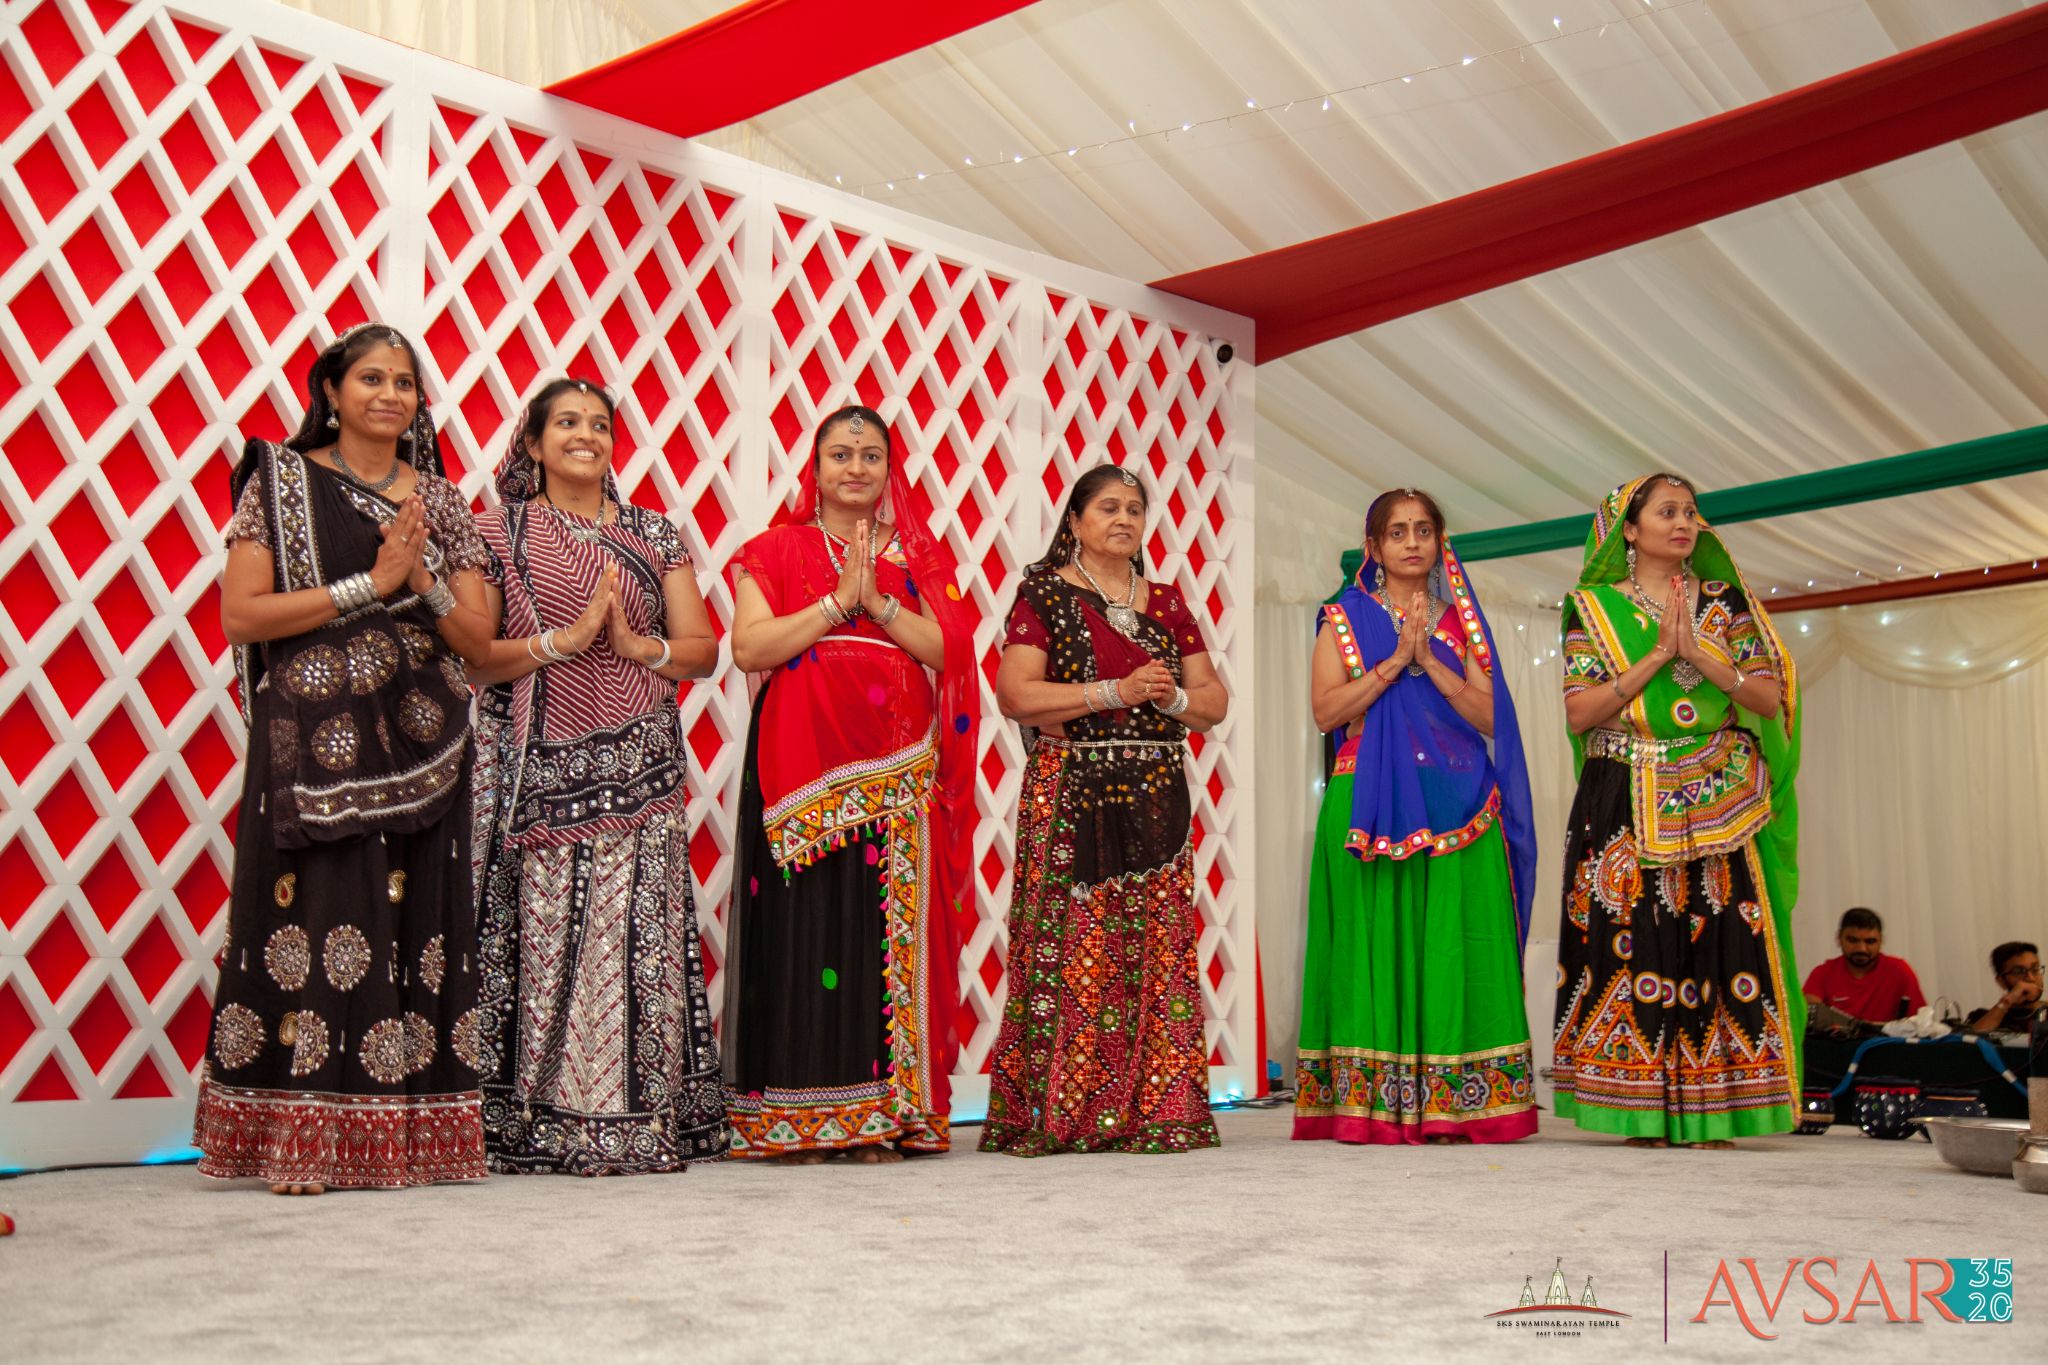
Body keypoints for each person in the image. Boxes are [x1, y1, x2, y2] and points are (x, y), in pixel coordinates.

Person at [198, 323, 496, 1192]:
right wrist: (370, 583)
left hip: (425, 736)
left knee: (416, 924)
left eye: (405, 382)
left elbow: (477, 642)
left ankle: (408, 1136)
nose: (390, 395)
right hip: (313, 736)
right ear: (330, 390)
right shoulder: (282, 482)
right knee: (324, 915)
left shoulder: (439, 501)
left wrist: (422, 580)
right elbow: (243, 616)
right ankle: (305, 1134)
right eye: (370, 377)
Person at [466, 378, 729, 1174]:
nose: (586, 435)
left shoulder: (655, 532)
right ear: (534, 443)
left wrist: (636, 646)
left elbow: (701, 649)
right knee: (545, 944)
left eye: (600, 424)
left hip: (643, 771)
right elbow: (478, 660)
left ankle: (636, 1119)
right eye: (567, 423)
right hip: (538, 773)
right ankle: (528, 1123)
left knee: (636, 946)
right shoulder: (496, 531)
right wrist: (566, 640)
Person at [720, 405, 978, 1162]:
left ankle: (881, 1119)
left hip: (899, 766)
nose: (855, 467)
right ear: (817, 467)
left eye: (870, 454)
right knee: (805, 930)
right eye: (840, 453)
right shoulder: (775, 548)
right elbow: (749, 645)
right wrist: (837, 602)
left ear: (889, 468)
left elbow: (946, 651)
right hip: (801, 760)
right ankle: (803, 1119)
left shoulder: (921, 558)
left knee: (882, 937)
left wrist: (878, 600)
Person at [980, 465, 1230, 1156]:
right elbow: (1017, 695)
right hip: (1072, 791)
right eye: (1108, 506)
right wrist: (1111, 690)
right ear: (1077, 519)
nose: (1123, 518)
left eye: (1135, 508)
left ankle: (1157, 1108)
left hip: (1156, 791)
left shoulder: (1169, 602)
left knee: (1156, 948)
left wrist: (1168, 697)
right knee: (1076, 947)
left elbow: (1213, 700)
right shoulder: (1046, 594)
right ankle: (1066, 1111)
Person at [1550, 473, 1804, 1149]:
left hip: (1715, 792)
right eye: (1667, 511)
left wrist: (1699, 654)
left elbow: (1765, 695)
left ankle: (1717, 1104)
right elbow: (1580, 710)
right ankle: (1635, 1107)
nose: (1684, 521)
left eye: (1691, 511)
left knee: (1719, 937)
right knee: (1629, 937)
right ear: (1628, 530)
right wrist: (1659, 654)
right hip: (1621, 792)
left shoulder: (1725, 602)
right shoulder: (1591, 607)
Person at [1293, 489, 1539, 1145]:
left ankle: (1462, 1101)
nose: (1411, 541)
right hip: (1369, 798)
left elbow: (1493, 719)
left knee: (1454, 945)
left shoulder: (1461, 624)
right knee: (1374, 945)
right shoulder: (1343, 616)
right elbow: (1326, 711)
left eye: (1423, 529)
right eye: (1397, 531)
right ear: (1372, 546)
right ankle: (1373, 1103)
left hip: (1460, 804)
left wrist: (1430, 658)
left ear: (1439, 541)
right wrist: (1395, 662)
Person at [1801, 908, 1925, 1026]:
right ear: (1839, 938)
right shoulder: (1823, 973)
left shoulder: (1899, 971)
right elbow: (1810, 1016)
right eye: (1853, 940)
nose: (1861, 948)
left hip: (1886, 1046)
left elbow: (1920, 1023)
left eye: (1870, 942)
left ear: (1881, 941)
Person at [1965, 941, 2042, 1036]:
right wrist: (2007, 1001)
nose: (2031, 978)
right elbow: (1970, 1041)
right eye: (2019, 971)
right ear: (2001, 981)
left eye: (2035, 969)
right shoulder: (1982, 1016)